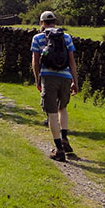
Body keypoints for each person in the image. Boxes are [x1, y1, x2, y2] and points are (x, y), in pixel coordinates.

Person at [31, 11, 78, 162]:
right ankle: (65, 139)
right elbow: (72, 61)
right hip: (65, 77)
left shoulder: (38, 38)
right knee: (62, 108)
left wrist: (37, 79)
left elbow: (35, 61)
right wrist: (75, 81)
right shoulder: (66, 37)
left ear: (42, 22)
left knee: (51, 114)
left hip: (49, 77)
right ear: (55, 21)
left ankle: (59, 150)